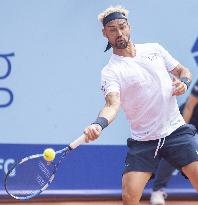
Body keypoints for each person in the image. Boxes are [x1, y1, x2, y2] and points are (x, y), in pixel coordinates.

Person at [83, 5, 198, 205]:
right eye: (112, 29)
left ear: (129, 27)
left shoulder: (155, 49)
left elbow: (183, 70)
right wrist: (98, 124)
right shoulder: (110, 71)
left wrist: (184, 83)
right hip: (144, 141)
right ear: (105, 34)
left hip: (176, 131)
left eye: (122, 26)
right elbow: (112, 104)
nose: (119, 33)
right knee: (129, 197)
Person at [150, 79, 198, 205]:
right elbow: (189, 106)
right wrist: (183, 133)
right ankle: (157, 190)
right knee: (177, 148)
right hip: (189, 116)